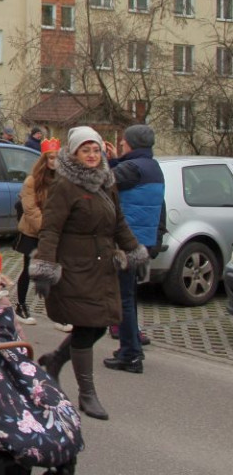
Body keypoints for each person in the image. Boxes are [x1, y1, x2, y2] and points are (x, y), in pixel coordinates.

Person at [30, 126, 148, 421]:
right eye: (86, 150)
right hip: (75, 268)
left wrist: (135, 252)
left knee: (98, 326)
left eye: (95, 149)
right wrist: (43, 268)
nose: (92, 155)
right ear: (73, 153)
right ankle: (87, 393)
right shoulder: (65, 185)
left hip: (102, 267)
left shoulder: (106, 181)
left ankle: (56, 360)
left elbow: (118, 221)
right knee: (87, 325)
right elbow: (51, 229)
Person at [102, 124, 164, 374]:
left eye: (124, 142)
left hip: (127, 242)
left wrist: (107, 162)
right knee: (130, 296)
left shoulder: (133, 168)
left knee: (123, 299)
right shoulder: (152, 166)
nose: (121, 145)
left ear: (132, 143)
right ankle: (132, 346)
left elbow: (103, 182)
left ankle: (130, 354)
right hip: (143, 241)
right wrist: (116, 160)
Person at [14, 137, 61, 326]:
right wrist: (45, 230)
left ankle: (58, 310)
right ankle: (21, 305)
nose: (54, 162)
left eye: (57, 158)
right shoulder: (32, 181)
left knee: (54, 270)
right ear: (44, 160)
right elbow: (30, 209)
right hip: (34, 233)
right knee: (28, 269)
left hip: (54, 233)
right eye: (51, 158)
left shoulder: (62, 181)